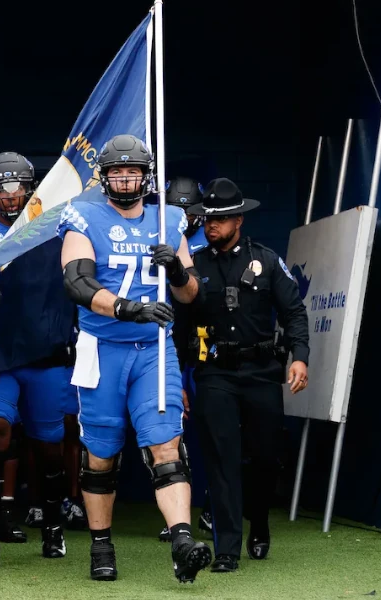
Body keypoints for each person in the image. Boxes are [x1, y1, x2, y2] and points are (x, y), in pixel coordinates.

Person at [57, 134, 212, 584]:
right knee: (101, 452)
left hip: (154, 349)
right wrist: (129, 308)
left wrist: (179, 271)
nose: (125, 179)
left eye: (133, 171)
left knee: (166, 444)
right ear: (103, 177)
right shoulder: (83, 214)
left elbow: (190, 296)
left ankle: (182, 541)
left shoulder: (169, 219)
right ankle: (101, 545)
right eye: (116, 172)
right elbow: (77, 282)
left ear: (147, 175)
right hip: (103, 348)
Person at [183, 177, 310, 573]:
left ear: (238, 219)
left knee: (265, 458)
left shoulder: (267, 261)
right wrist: (178, 379)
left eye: (219, 219)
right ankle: (227, 548)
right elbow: (178, 326)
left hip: (261, 371)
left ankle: (259, 521)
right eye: (206, 219)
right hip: (215, 373)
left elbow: (294, 314)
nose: (210, 225)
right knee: (222, 458)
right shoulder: (195, 265)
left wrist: (299, 357)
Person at [0, 152, 73, 569]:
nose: (10, 195)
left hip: (45, 351)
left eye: (18, 186)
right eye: (2, 187)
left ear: (32, 188)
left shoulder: (57, 223)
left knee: (50, 448)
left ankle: (54, 524)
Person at [154, 175, 213, 542]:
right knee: (172, 438)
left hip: (209, 349)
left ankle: (212, 507)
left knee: (213, 432)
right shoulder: (160, 238)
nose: (185, 217)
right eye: (178, 210)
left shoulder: (212, 242)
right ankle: (178, 516)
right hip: (171, 348)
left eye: (189, 210)